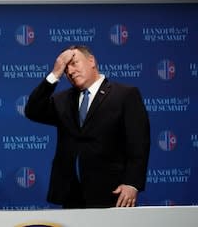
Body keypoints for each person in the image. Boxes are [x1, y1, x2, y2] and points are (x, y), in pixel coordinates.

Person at [24, 45, 150, 208]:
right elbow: (32, 111)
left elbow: (139, 144)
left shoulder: (125, 95)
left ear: (91, 61)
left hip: (113, 192)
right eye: (65, 68)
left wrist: (132, 184)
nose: (70, 71)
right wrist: (55, 74)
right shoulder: (62, 100)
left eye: (74, 63)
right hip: (72, 194)